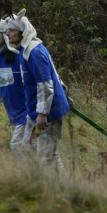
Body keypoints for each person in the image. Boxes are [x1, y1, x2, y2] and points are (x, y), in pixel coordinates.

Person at [6, 9, 70, 169]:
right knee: (25, 147)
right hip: (35, 110)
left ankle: (54, 191)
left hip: (48, 112)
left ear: (22, 32)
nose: (8, 34)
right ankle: (56, 186)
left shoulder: (34, 52)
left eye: (12, 30)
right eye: (7, 30)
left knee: (46, 156)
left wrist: (42, 113)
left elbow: (45, 84)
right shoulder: (24, 50)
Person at [0, 16, 27, 152]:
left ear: (5, 35)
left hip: (28, 113)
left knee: (17, 147)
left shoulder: (22, 54)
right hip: (13, 114)